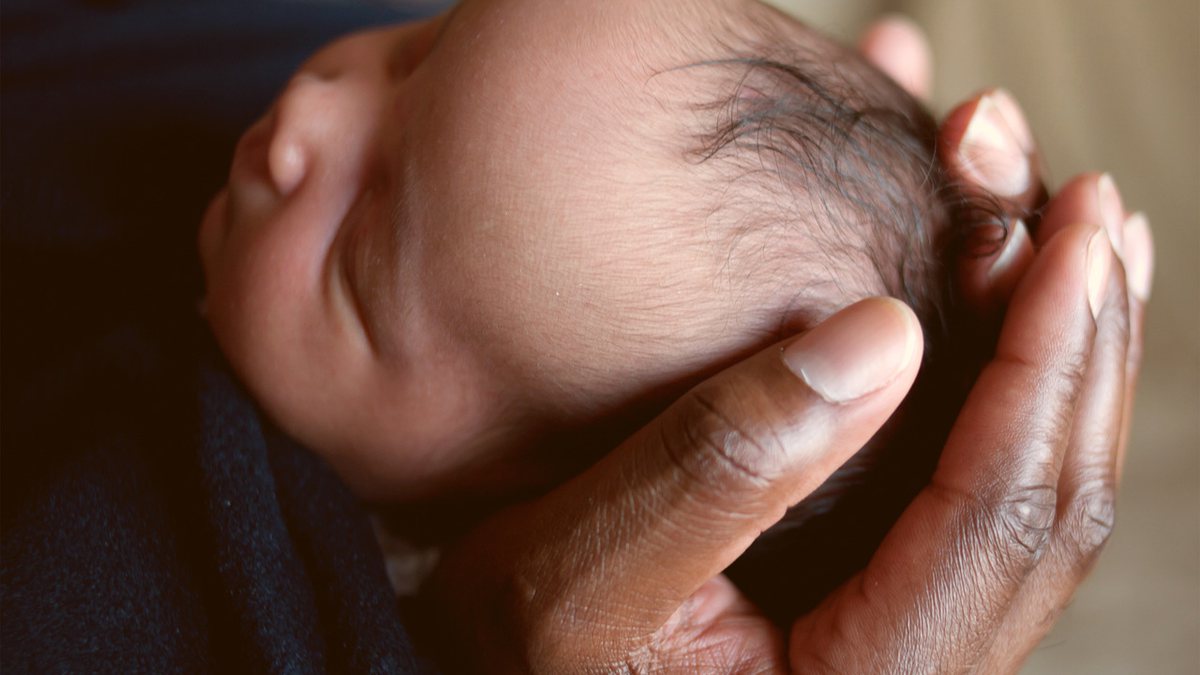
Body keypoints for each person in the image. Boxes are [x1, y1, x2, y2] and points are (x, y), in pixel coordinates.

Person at [1, 1, 1151, 673]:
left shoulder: (192, 568)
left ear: (476, 513)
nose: (301, 117)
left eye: (357, 250)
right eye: (420, 48)